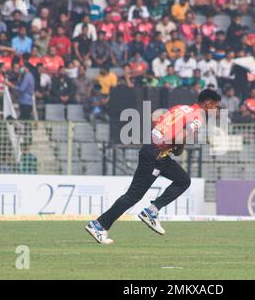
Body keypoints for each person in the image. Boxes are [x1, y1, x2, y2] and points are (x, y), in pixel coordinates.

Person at [85, 89, 221, 244]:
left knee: (183, 180)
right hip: (155, 155)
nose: (216, 111)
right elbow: (179, 136)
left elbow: (157, 121)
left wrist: (171, 145)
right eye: (216, 107)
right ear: (208, 103)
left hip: (155, 151)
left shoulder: (180, 108)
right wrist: (178, 147)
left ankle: (152, 211)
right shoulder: (198, 117)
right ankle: (99, 225)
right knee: (133, 196)